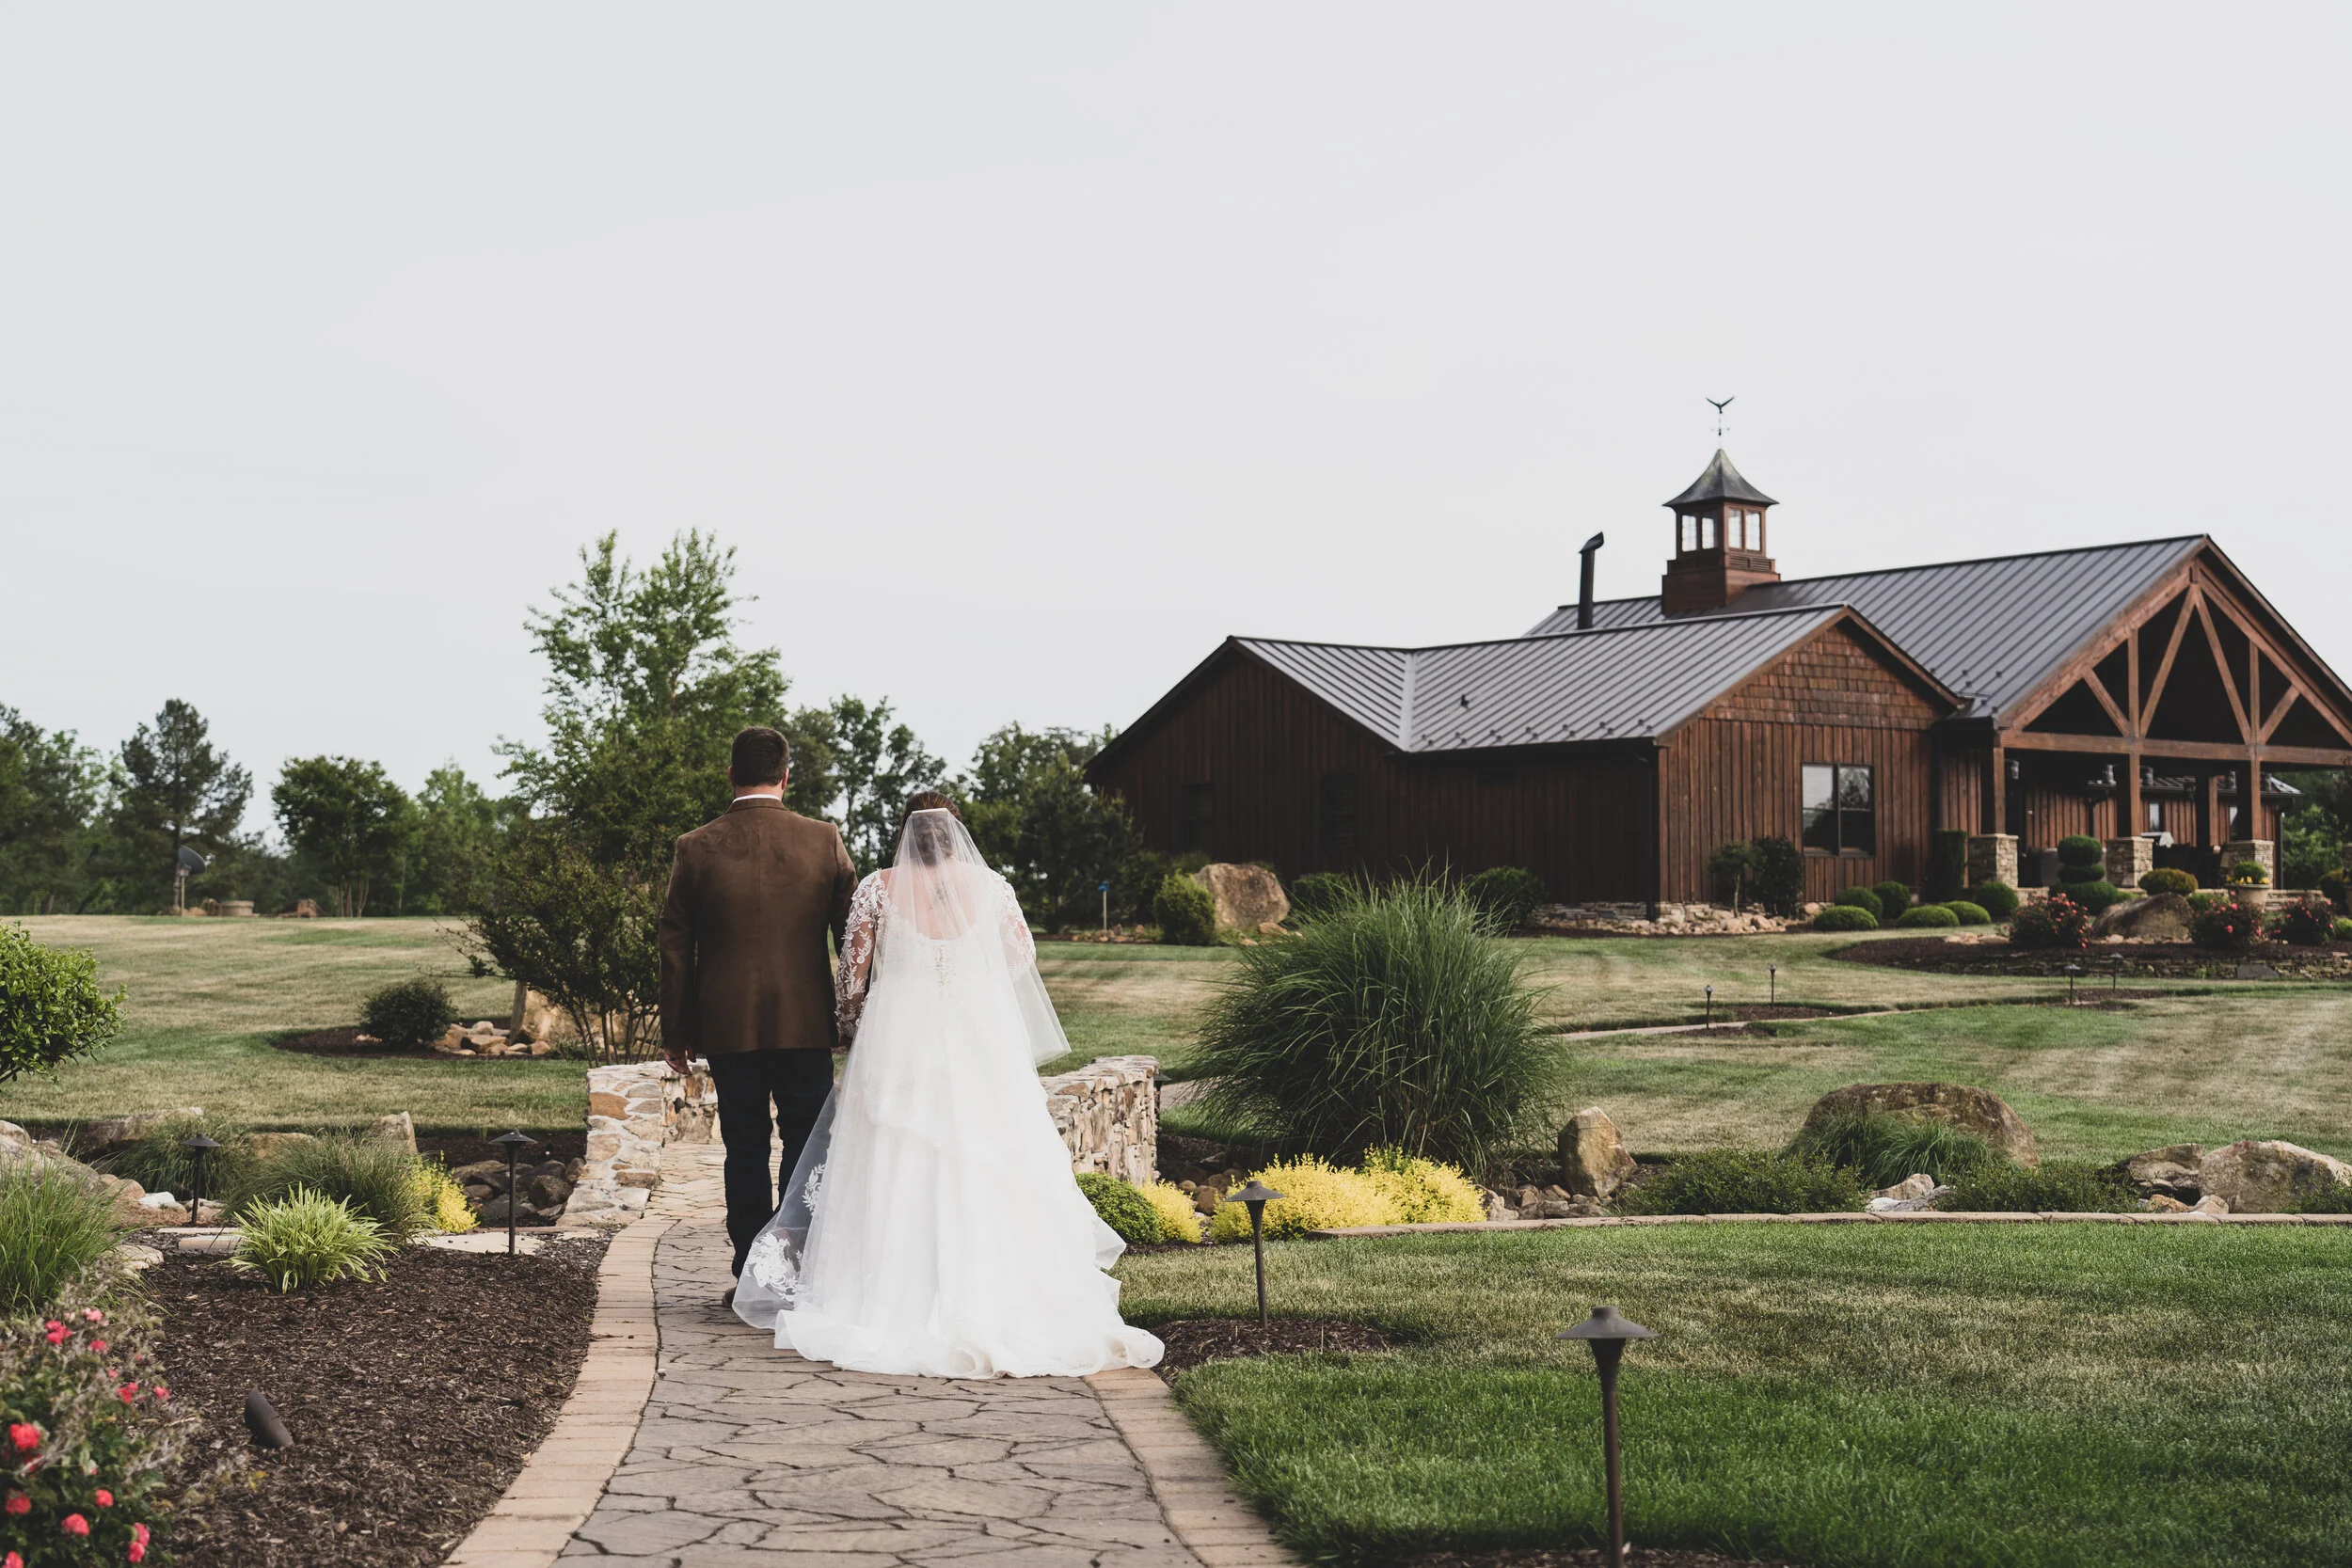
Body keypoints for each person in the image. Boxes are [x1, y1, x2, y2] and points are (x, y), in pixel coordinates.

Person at [733, 796, 1163, 1378]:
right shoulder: (992, 887)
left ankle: (886, 1293)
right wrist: (968, 976)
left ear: (904, 832)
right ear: (958, 833)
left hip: (898, 1033)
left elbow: (851, 975)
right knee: (986, 1155)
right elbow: (1021, 956)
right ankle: (999, 1291)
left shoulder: (879, 889)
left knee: (892, 1157)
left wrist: (854, 1025)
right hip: (977, 1035)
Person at [658, 725, 859, 1305]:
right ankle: (793, 1268)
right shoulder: (823, 840)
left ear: (730, 774)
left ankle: (750, 1272)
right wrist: (853, 1017)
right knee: (806, 1145)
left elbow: (675, 945)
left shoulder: (694, 846)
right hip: (805, 1024)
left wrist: (677, 1031)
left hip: (727, 1026)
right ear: (786, 775)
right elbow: (851, 939)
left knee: (743, 1147)